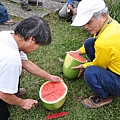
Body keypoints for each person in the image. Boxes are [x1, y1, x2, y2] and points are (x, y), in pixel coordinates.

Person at [0, 16, 63, 120]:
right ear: (31, 39)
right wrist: (23, 103)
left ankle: (12, 90)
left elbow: (24, 62)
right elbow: (4, 94)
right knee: (3, 115)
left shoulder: (8, 35)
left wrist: (49, 77)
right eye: (39, 45)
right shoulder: (11, 59)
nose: (37, 49)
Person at [69, 0, 120, 108]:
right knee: (89, 43)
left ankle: (104, 97)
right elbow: (96, 39)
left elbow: (99, 65)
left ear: (103, 16)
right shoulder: (111, 23)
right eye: (84, 23)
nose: (85, 26)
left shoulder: (104, 43)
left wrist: (84, 66)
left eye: (89, 22)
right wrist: (79, 51)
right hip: (114, 64)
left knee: (90, 73)